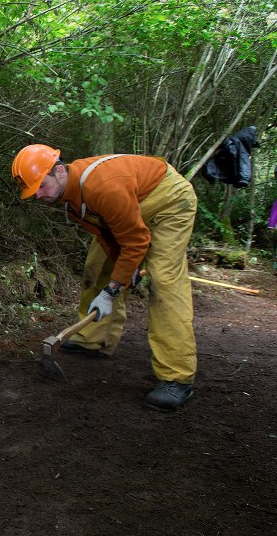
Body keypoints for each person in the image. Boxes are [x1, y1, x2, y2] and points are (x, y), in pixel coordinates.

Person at [12, 145, 197, 411]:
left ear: (60, 171)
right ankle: (94, 338)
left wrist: (111, 291)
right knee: (98, 267)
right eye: (33, 191)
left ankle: (176, 377)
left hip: (168, 200)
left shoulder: (102, 187)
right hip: (128, 207)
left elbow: (136, 239)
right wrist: (124, 270)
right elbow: (107, 231)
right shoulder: (70, 197)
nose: (38, 195)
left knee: (164, 281)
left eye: (41, 185)